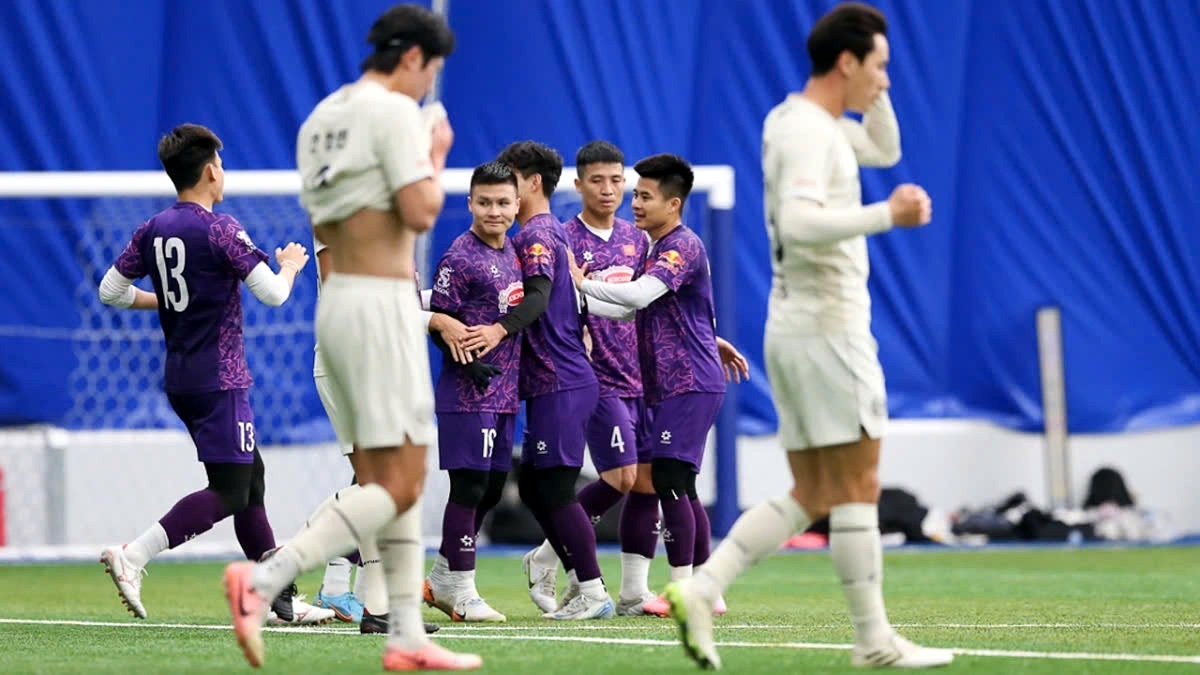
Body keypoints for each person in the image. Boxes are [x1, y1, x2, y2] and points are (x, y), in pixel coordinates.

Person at [664, 3, 952, 669]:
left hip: (800, 328)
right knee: (859, 482)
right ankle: (875, 639)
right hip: (827, 327)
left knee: (815, 492)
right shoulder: (808, 134)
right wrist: (889, 213)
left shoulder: (804, 122)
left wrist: (879, 91)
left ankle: (703, 588)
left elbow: (885, 148)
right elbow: (798, 222)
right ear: (846, 62)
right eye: (878, 66)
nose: (885, 79)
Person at [221, 4, 482, 671]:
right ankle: (267, 577)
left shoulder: (320, 119)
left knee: (386, 472)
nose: (428, 87)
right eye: (432, 73)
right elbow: (421, 209)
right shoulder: (395, 112)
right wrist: (437, 151)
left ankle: (403, 632)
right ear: (416, 59)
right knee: (403, 479)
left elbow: (334, 215)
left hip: (337, 307)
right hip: (380, 303)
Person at [97, 123, 323, 624]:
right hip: (220, 380)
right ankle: (132, 555)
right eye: (221, 163)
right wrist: (288, 265)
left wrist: (166, 302)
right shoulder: (220, 229)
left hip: (182, 377)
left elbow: (109, 291)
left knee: (251, 478)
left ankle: (276, 596)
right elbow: (274, 294)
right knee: (231, 490)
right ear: (210, 170)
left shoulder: (154, 227)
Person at [568, 153, 748, 619]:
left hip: (688, 381)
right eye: (636, 195)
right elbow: (630, 310)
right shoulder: (656, 247)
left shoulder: (679, 246)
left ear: (673, 203)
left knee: (668, 480)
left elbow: (639, 294)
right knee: (678, 484)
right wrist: (580, 303)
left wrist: (583, 285)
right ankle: (705, 588)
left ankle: (686, 589)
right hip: (671, 384)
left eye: (645, 196)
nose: (635, 204)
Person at [462, 140, 610, 620]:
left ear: (530, 183)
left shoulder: (534, 238)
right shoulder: (548, 233)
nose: (501, 193)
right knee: (532, 485)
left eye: (510, 181)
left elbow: (538, 298)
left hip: (560, 381)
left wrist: (490, 327)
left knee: (555, 490)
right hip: (554, 380)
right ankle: (569, 575)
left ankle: (593, 590)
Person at [421, 161, 523, 623]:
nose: (494, 211)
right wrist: (462, 351)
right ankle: (460, 587)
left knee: (494, 486)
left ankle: (443, 574)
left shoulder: (514, 254)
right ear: (470, 204)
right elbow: (435, 322)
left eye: (503, 202)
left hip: (505, 394)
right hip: (467, 395)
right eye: (485, 202)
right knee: (468, 486)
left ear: (518, 204)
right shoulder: (459, 257)